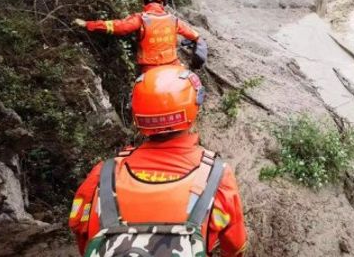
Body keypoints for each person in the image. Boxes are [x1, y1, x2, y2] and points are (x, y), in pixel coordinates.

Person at [68, 65, 247, 257]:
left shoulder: (103, 174)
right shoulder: (216, 176)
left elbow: (81, 231)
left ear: (137, 114)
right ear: (194, 109)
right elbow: (235, 246)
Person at [74, 0, 207, 72]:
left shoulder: (141, 19)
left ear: (145, 3)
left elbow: (119, 27)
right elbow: (194, 36)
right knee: (190, 85)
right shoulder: (173, 20)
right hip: (172, 66)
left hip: (149, 69)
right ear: (162, 3)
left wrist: (90, 24)